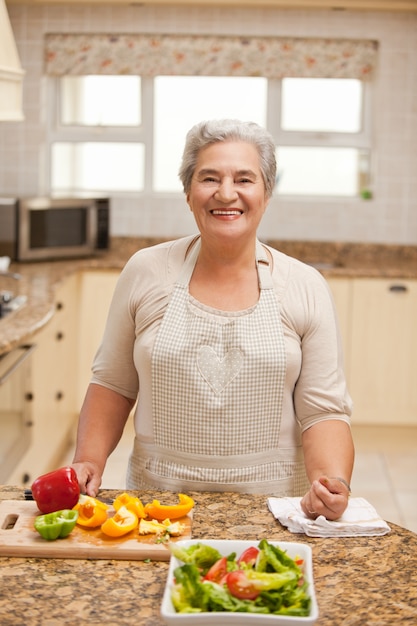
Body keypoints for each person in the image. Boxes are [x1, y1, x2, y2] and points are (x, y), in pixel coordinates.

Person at [72, 118, 354, 521]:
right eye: (208, 178)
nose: (226, 194)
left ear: (266, 192)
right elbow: (114, 384)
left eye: (244, 179)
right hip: (158, 508)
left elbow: (323, 410)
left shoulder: (304, 285)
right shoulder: (146, 271)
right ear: (188, 192)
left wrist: (331, 484)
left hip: (274, 510)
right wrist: (89, 460)